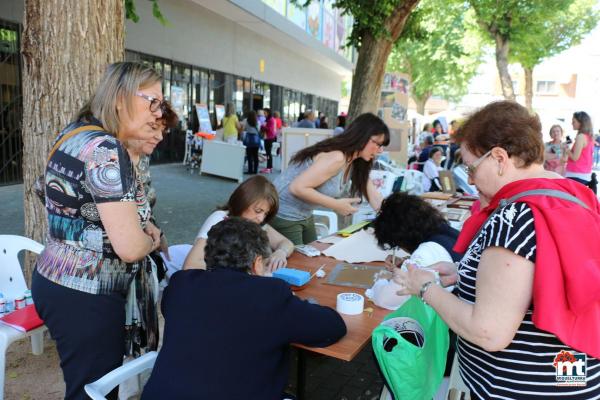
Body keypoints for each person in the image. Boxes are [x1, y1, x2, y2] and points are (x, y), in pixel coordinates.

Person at [394, 101, 600, 399]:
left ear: (500, 158)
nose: (470, 178)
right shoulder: (572, 195)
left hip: (526, 387)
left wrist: (425, 287)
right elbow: (542, 275)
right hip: (569, 376)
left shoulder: (513, 216)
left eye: (470, 167)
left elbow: (488, 331)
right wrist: (465, 273)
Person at [31, 62, 166, 400]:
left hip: (56, 280)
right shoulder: (107, 150)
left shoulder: (76, 133)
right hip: (86, 292)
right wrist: (152, 239)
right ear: (121, 98)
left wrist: (79, 231)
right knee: (94, 392)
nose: (158, 112)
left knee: (85, 385)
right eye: (153, 101)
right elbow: (131, 248)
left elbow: (44, 190)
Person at [142, 218, 347, 400]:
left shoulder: (181, 284)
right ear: (258, 263)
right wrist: (295, 303)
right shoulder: (271, 295)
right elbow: (333, 328)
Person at [271, 113, 389, 245]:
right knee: (300, 262)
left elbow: (375, 197)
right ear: (363, 137)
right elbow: (297, 187)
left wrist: (393, 217)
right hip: (284, 212)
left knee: (313, 256)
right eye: (378, 144)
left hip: (304, 213)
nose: (380, 150)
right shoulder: (337, 157)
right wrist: (336, 205)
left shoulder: (356, 161)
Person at [123, 101, 179, 358]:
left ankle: (140, 370)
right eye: (154, 128)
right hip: (115, 265)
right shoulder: (107, 157)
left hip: (141, 258)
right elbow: (44, 186)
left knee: (144, 326)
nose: (159, 136)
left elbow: (143, 206)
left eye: (163, 130)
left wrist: (152, 227)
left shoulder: (141, 159)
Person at [368, 192, 462, 311]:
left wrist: (380, 280)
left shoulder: (427, 253)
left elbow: (386, 300)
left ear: (401, 237)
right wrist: (405, 264)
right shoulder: (445, 231)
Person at [183, 175, 294, 271]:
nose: (261, 218)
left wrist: (281, 252)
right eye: (258, 211)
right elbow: (190, 265)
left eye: (266, 213)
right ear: (243, 202)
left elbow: (286, 242)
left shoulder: (255, 224)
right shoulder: (220, 219)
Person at [565, 111, 595, 191]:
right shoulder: (589, 136)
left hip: (576, 174)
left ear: (581, 122)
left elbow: (575, 158)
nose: (572, 123)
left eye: (574, 121)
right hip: (584, 174)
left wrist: (566, 150)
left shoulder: (581, 137)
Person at [260, 107, 277, 173]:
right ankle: (269, 167)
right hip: (267, 137)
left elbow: (270, 129)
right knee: (268, 153)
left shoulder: (271, 120)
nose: (264, 114)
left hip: (269, 138)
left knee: (268, 153)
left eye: (265, 113)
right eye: (264, 113)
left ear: (268, 113)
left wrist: (262, 126)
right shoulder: (267, 119)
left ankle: (269, 168)